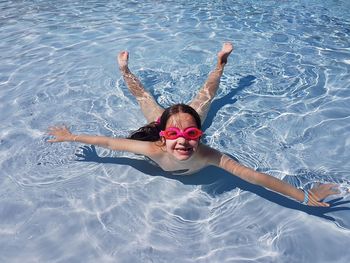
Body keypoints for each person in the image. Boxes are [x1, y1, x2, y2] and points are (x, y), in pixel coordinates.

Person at [48, 42, 339, 207]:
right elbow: (109, 143)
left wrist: (304, 195)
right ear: (163, 136)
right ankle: (125, 69)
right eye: (174, 134)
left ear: (199, 134)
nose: (183, 141)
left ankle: (220, 63)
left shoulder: (209, 155)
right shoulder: (154, 147)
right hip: (157, 120)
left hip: (181, 117)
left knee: (207, 95)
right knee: (144, 97)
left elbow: (254, 177)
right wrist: (71, 137)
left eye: (191, 133)